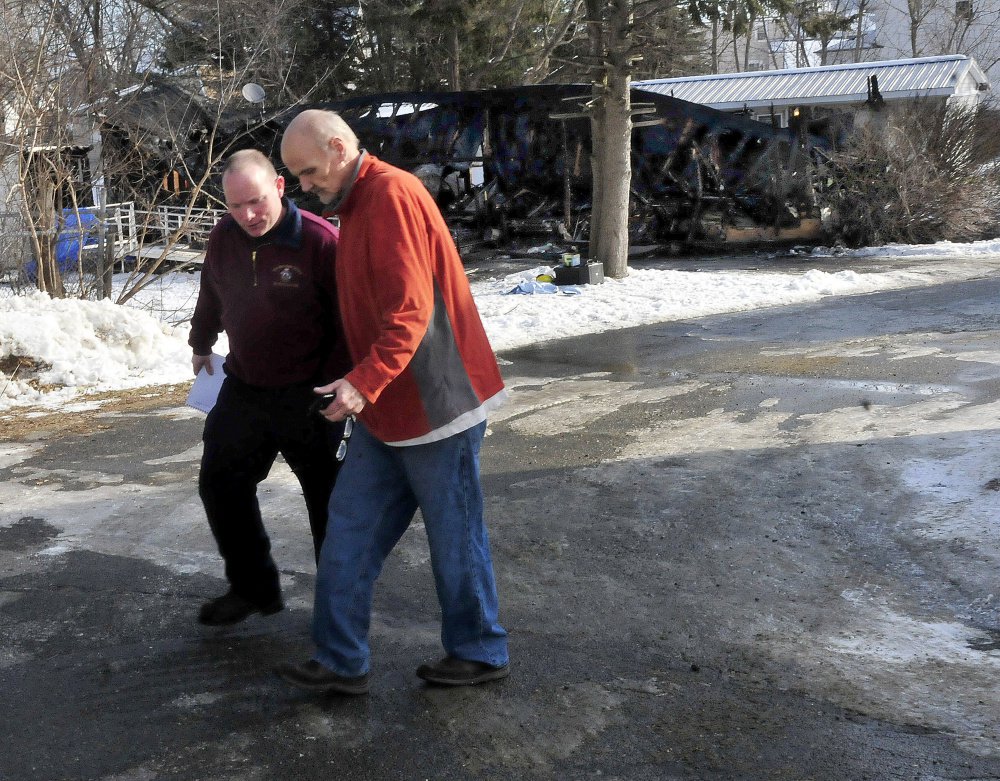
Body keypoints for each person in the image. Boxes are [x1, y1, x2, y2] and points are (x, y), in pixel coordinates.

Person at [274, 110, 509, 695]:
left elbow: (411, 310)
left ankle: (479, 651)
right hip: (384, 411)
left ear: (337, 147)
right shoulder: (355, 205)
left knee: (455, 539)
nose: (304, 187)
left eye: (307, 172)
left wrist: (361, 381)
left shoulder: (392, 195)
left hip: (438, 406)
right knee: (348, 531)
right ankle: (339, 658)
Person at [188, 149, 350, 627]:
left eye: (255, 202)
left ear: (280, 187)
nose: (248, 216)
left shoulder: (321, 243)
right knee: (220, 484)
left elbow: (350, 322)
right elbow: (211, 289)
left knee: (329, 505)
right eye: (235, 207)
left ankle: (338, 610)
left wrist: (342, 383)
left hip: (311, 395)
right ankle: (253, 587)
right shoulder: (224, 237)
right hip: (245, 386)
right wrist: (201, 340)